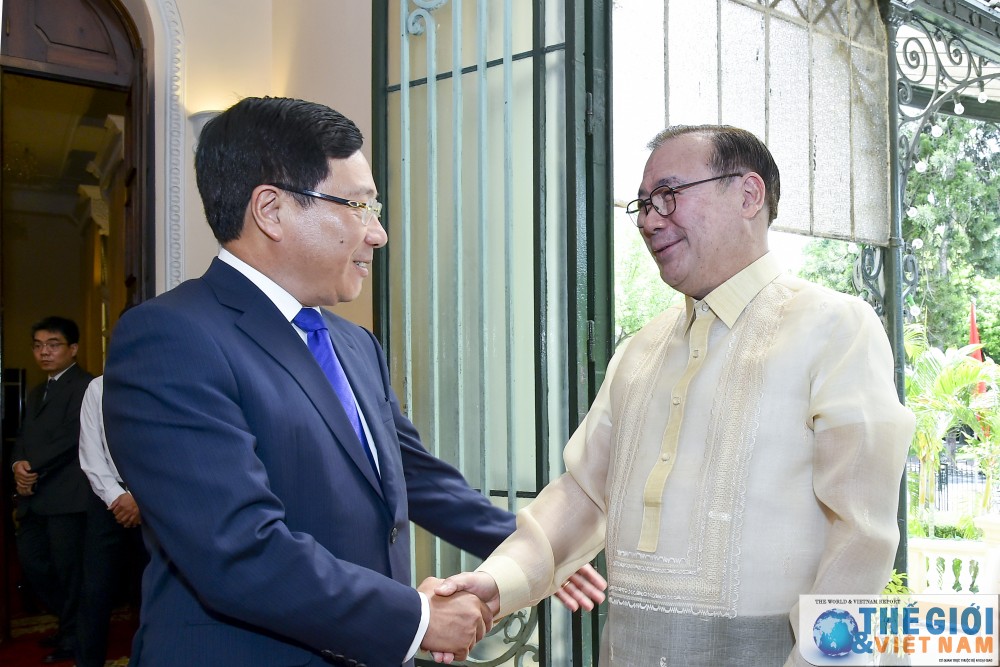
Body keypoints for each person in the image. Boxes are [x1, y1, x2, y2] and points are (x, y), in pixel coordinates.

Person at [102, 96, 603, 667]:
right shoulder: (171, 339)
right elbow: (237, 549)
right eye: (359, 207)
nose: (378, 234)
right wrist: (417, 620)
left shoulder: (352, 342)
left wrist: (533, 553)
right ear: (271, 210)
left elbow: (413, 475)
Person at [436, 124, 916, 666]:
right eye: (641, 204)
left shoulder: (834, 328)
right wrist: (495, 583)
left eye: (667, 195)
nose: (647, 219)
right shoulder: (642, 347)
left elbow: (862, 535)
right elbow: (585, 494)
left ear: (748, 194)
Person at [12, 316, 96, 664]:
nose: (44, 352)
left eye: (53, 344)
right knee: (34, 565)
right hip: (35, 497)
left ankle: (75, 637)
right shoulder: (37, 390)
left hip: (68, 497)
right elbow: (24, 437)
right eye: (38, 345)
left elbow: (72, 438)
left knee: (70, 573)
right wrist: (17, 464)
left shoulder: (86, 386)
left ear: (73, 349)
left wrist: (32, 467)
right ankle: (68, 627)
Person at [78, 374, 143, 667]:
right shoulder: (97, 387)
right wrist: (118, 497)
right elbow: (90, 451)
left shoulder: (164, 380)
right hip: (107, 500)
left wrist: (140, 497)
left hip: (155, 501)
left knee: (150, 588)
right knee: (95, 590)